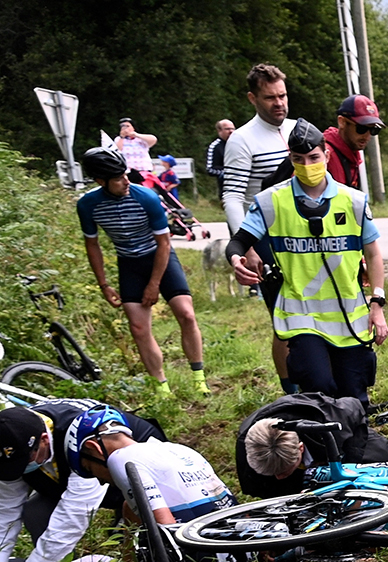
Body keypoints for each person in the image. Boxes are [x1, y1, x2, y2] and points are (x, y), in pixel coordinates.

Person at [226, 119, 388, 405]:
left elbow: (374, 254)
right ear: (290, 159)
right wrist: (236, 259)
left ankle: (354, 447)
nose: (307, 165)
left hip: (350, 317)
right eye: (298, 159)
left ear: (326, 155)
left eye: (313, 157)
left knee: (354, 398)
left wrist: (377, 304)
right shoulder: (271, 200)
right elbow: (239, 240)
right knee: (319, 389)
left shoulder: (353, 201)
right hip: (301, 316)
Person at [75, 147, 208, 397]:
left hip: (160, 257)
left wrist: (154, 284)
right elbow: (91, 244)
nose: (126, 181)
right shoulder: (88, 205)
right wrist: (104, 284)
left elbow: (164, 243)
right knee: (138, 328)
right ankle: (162, 388)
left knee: (186, 314)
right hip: (129, 263)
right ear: (100, 182)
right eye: (118, 178)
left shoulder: (145, 197)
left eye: (125, 174)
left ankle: (199, 377)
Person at [0, 399, 164, 562]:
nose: (21, 469)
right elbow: (5, 514)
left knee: (138, 528)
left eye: (25, 461)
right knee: (36, 512)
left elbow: (74, 513)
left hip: (133, 469)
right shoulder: (10, 442)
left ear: (44, 439)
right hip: (70, 474)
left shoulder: (83, 438)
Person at [222, 64, 296, 390]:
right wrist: (247, 246)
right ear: (253, 98)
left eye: (282, 95)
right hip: (266, 237)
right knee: (285, 319)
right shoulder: (241, 140)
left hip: (306, 235)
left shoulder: (298, 129)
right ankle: (292, 392)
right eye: (269, 98)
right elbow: (233, 198)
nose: (278, 103)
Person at [67, 406, 234, 526]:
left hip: (203, 560)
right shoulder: (176, 448)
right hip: (237, 543)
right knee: (129, 507)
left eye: (90, 470)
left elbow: (166, 529)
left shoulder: (121, 459)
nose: (101, 482)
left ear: (93, 447)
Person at [235, 392, 388, 499]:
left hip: (343, 439)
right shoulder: (248, 448)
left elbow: (354, 406)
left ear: (301, 448)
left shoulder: (327, 418)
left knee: (382, 463)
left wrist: (347, 464)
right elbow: (260, 491)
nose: (278, 477)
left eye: (283, 471)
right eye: (273, 474)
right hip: (301, 460)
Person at [324, 95, 384, 193]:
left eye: (374, 130)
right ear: (342, 122)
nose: (367, 136)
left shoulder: (352, 155)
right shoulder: (325, 156)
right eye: (362, 128)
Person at [206, 119, 234, 186]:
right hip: (226, 187)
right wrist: (232, 172)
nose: (231, 131)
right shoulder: (215, 146)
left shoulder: (240, 144)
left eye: (233, 129)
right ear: (219, 130)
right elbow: (210, 169)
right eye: (227, 129)